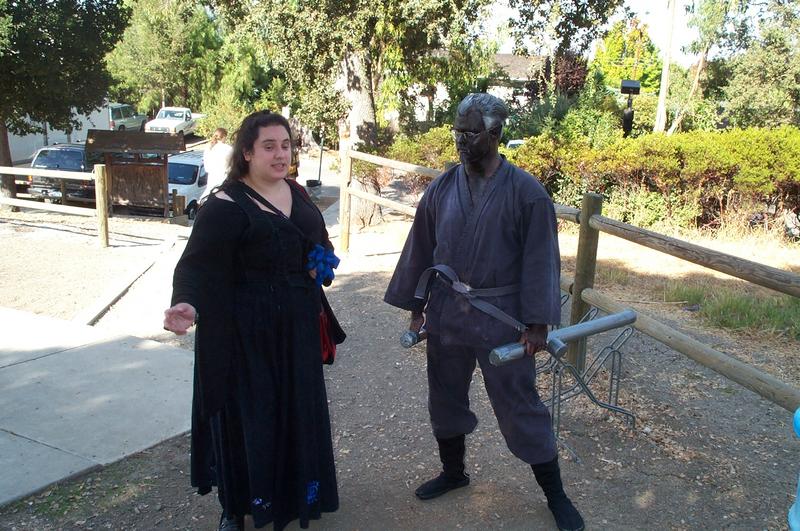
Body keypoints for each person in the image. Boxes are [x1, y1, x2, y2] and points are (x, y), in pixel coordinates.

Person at [384, 93, 584, 531]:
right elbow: (420, 248)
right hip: (448, 314)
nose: (461, 140)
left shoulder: (527, 194)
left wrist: (537, 324)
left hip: (502, 318)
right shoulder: (442, 188)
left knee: (520, 406)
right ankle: (453, 472)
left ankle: (556, 496)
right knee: (444, 397)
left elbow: (541, 261)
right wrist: (417, 309)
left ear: (495, 134)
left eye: (470, 132)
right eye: (457, 131)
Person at [164, 111, 342, 531]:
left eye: (286, 145)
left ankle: (293, 497)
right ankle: (236, 506)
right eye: (269, 146)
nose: (280, 155)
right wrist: (186, 304)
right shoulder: (223, 206)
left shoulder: (296, 193)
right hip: (245, 336)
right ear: (246, 152)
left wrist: (320, 263)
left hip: (296, 331)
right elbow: (195, 268)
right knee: (251, 418)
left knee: (294, 414)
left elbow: (318, 241)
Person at [201, 127, 234, 198]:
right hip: (223, 178)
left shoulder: (208, 148)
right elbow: (232, 166)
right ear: (224, 136)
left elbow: (206, 167)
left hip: (211, 178)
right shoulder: (229, 149)